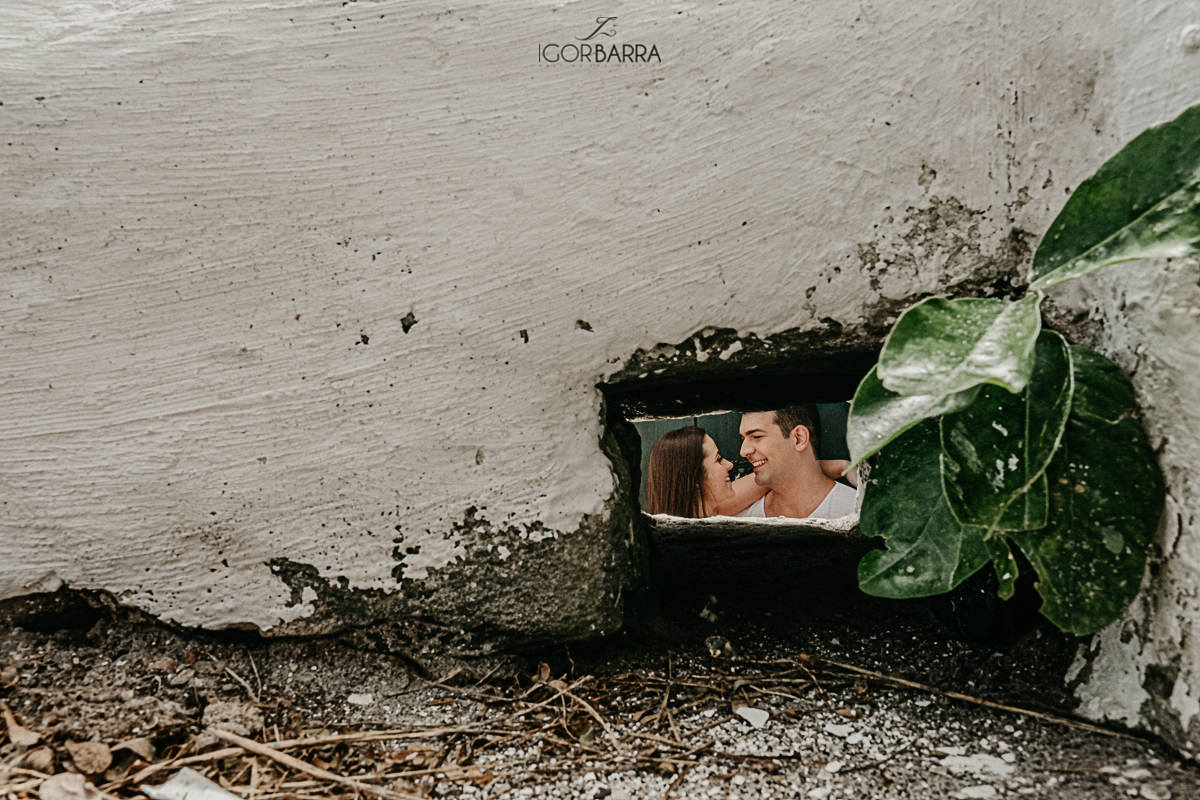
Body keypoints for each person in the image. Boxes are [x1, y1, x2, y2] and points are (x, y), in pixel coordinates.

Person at [644, 424, 854, 518]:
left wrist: (843, 467)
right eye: (718, 460)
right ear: (695, 480)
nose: (730, 464)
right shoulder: (719, 506)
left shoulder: (722, 503)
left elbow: (784, 471)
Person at [737, 404, 858, 520]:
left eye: (757, 436)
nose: (743, 451)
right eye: (743, 438)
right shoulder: (740, 518)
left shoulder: (857, 513)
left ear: (799, 439)